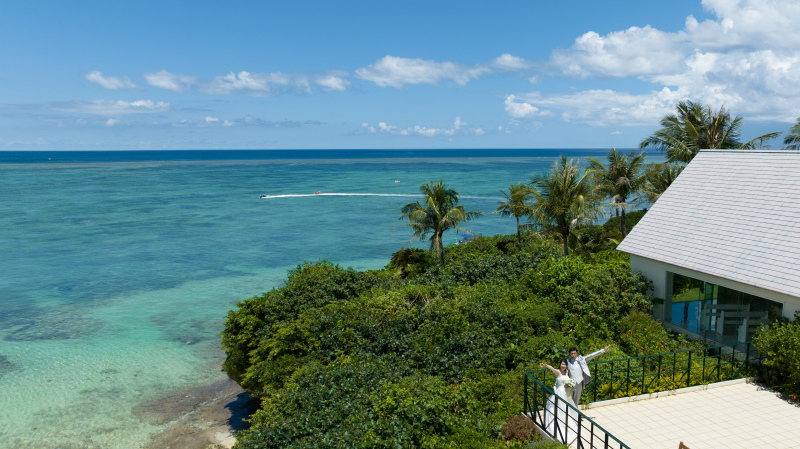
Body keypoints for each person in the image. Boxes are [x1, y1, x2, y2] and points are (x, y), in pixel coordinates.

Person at [539, 359, 579, 445]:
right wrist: (546, 365)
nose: (563, 366)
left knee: (565, 409)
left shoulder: (567, 372)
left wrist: (569, 385)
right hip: (560, 393)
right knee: (558, 409)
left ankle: (566, 424)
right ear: (560, 364)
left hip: (566, 393)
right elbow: (552, 368)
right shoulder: (557, 372)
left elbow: (567, 381)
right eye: (562, 364)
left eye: (564, 364)